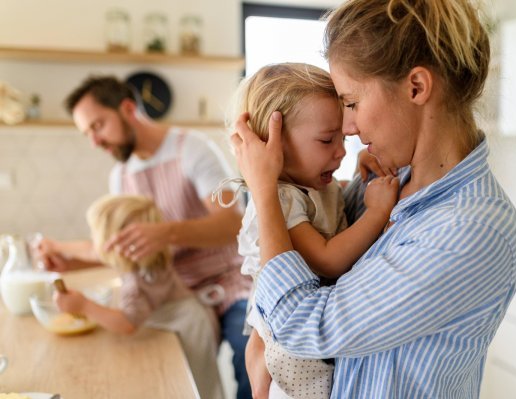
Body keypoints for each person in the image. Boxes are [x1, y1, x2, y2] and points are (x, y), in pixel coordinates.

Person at [230, 0, 516, 398]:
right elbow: (316, 252)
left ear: (416, 87)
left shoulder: (471, 227)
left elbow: (304, 326)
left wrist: (263, 191)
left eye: (352, 103)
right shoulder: (390, 182)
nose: (348, 128)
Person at [35, 76, 253, 399]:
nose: (95, 141)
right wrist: (70, 258)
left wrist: (166, 232)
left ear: (127, 109)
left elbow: (233, 223)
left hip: (228, 282)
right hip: (169, 290)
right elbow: (122, 248)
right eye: (88, 134)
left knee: (250, 351)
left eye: (98, 126)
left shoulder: (192, 149)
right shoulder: (120, 176)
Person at [219, 63, 398, 398]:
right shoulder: (282, 199)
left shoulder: (311, 184)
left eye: (343, 138)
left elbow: (330, 212)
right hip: (286, 339)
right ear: (274, 147)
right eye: (327, 140)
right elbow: (328, 259)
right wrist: (376, 213)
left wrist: (359, 179)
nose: (342, 151)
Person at [54, 194, 225, 399]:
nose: (93, 240)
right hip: (189, 319)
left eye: (95, 234)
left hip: (188, 328)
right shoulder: (147, 257)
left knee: (199, 386)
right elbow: (95, 253)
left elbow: (127, 323)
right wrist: (57, 248)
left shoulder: (140, 278)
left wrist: (84, 306)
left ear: (119, 242)